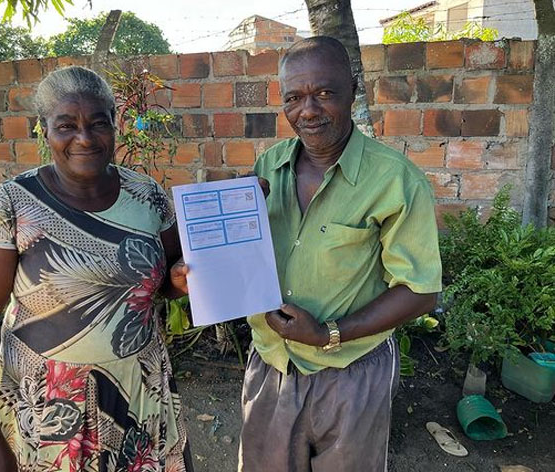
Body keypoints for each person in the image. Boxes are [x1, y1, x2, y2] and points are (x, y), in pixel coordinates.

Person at [179, 36, 442, 471]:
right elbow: (245, 260)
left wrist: (328, 334)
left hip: (350, 371)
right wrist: (206, 259)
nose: (309, 110)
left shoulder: (396, 181)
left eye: (324, 93)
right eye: (295, 97)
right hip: (271, 364)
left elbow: (419, 292)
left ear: (352, 91)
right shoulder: (268, 168)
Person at [0, 66, 193, 472]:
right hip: (50, 410)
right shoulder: (7, 208)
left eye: (99, 123)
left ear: (115, 125)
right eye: (66, 125)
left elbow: (164, 280)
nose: (84, 137)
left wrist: (177, 282)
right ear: (43, 129)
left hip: (141, 395)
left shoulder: (147, 195)